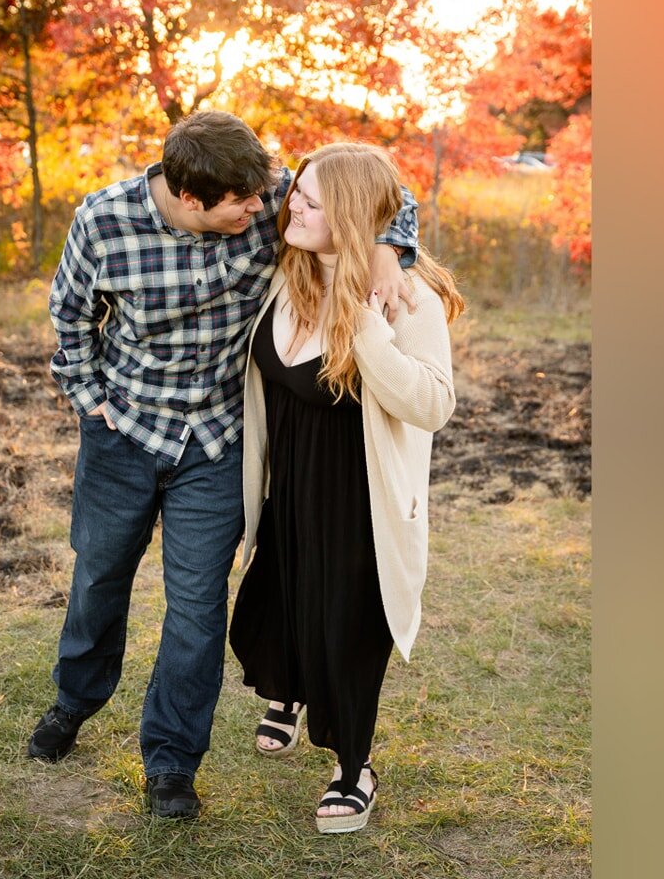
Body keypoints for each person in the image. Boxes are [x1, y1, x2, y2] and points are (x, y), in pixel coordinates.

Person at [28, 111, 420, 820]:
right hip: (124, 436)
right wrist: (91, 401)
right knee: (99, 579)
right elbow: (70, 315)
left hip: (214, 443)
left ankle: (172, 762)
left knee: (198, 607)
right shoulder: (104, 222)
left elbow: (377, 188)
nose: (262, 209)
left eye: (266, 196)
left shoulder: (264, 190)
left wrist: (390, 247)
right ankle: (73, 702)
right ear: (187, 197)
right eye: (243, 205)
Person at [228, 142, 463, 833]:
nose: (289, 206)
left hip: (359, 500)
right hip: (288, 486)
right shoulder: (287, 272)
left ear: (354, 215)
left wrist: (367, 328)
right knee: (282, 603)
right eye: (294, 193)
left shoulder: (403, 299)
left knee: (349, 632)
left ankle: (354, 767)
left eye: (309, 200)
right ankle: (290, 694)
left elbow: (432, 404)